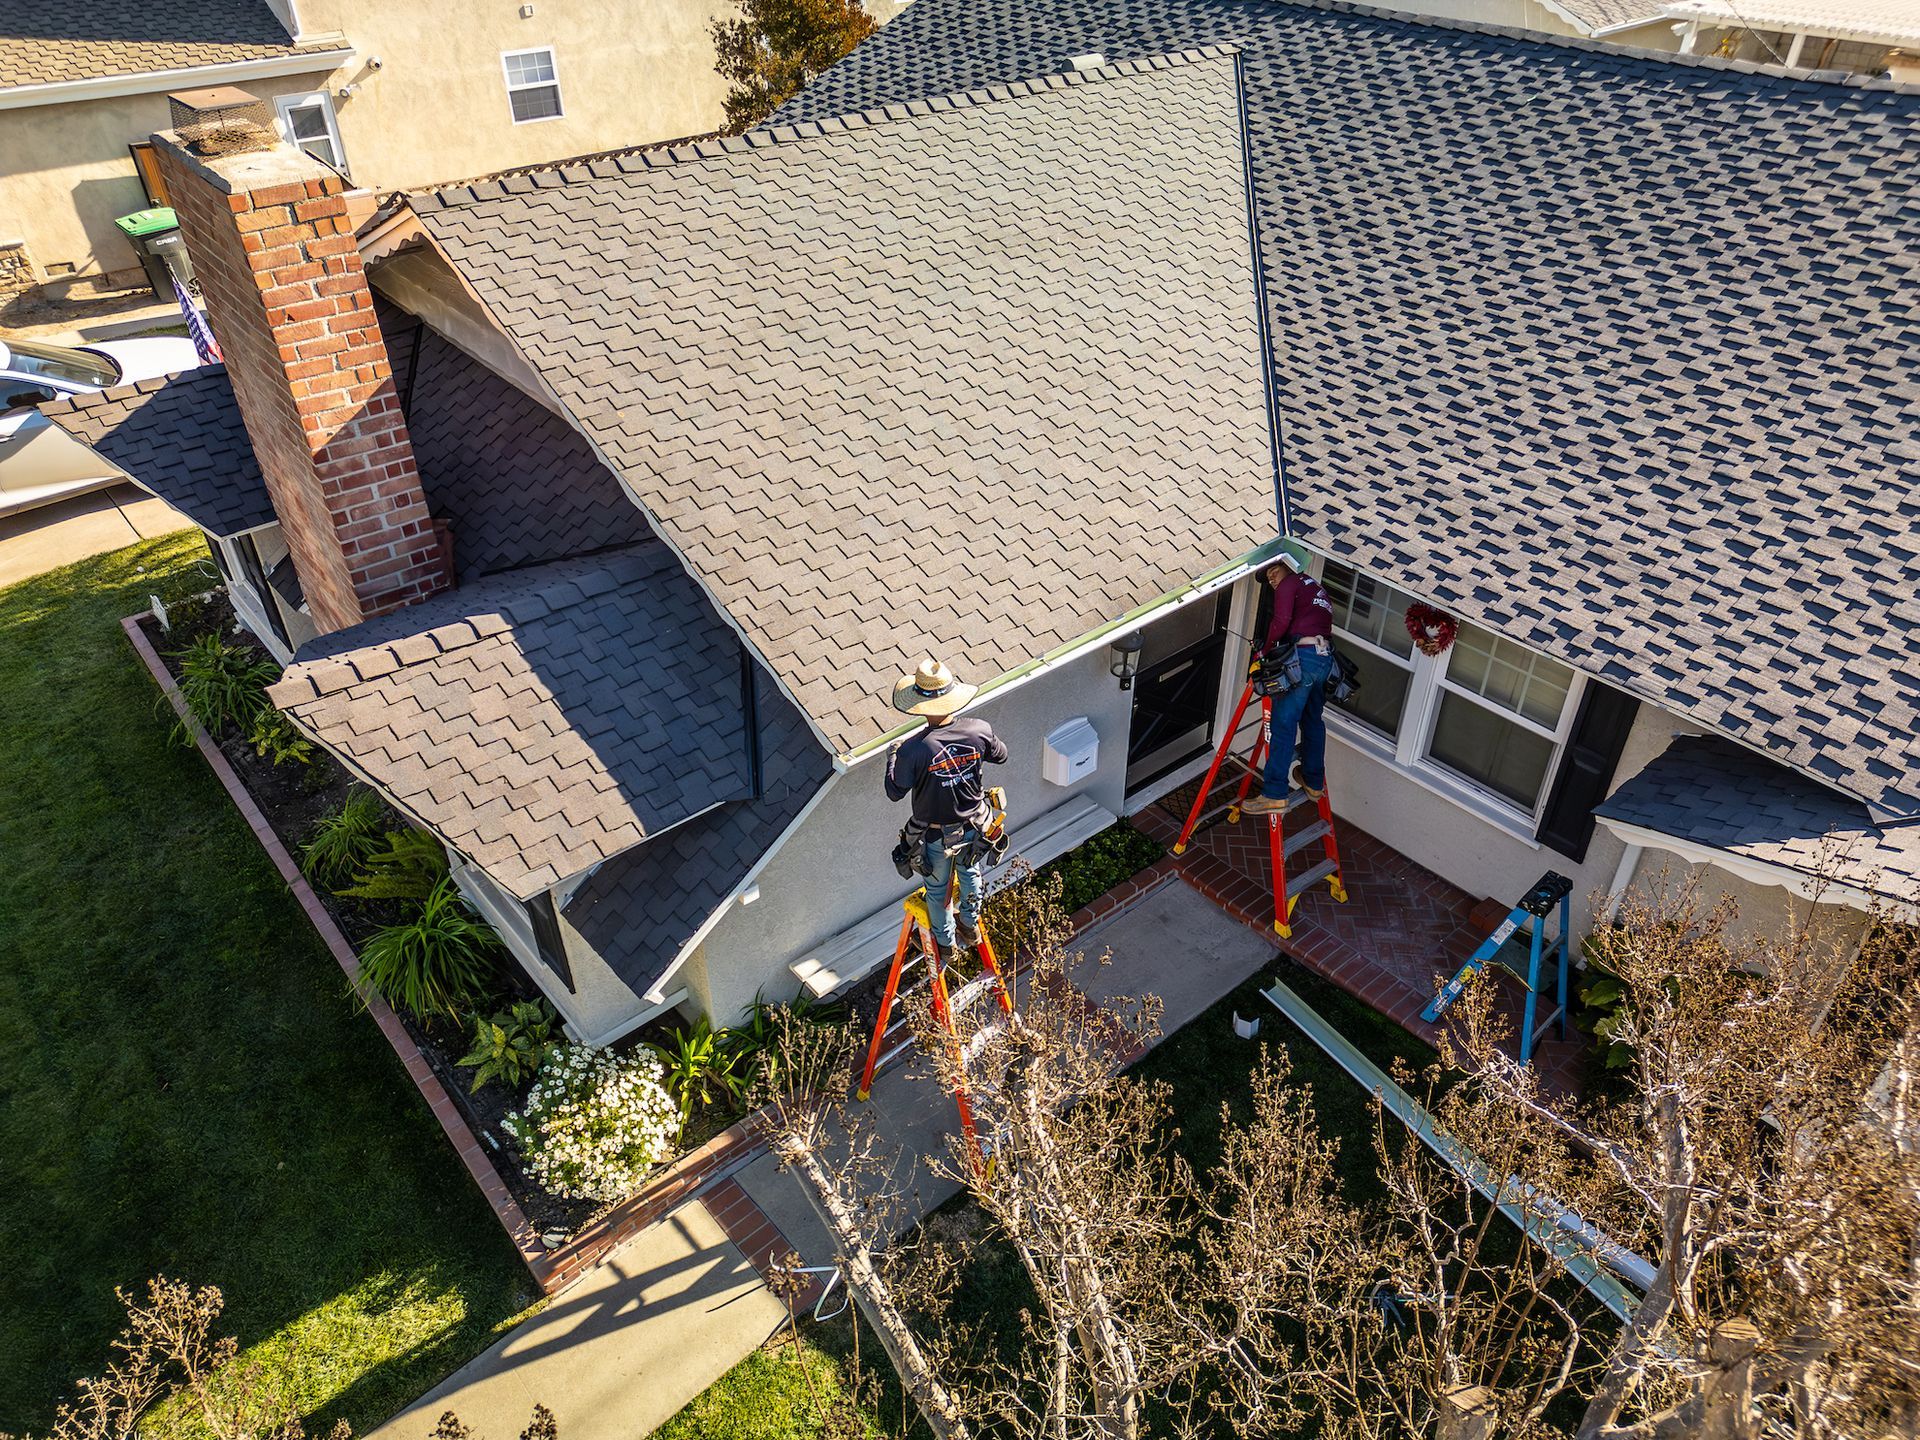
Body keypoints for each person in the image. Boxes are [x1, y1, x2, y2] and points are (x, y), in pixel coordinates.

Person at [884, 657, 1009, 960]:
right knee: (971, 872)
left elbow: (893, 791)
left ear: (922, 705)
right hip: (976, 826)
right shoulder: (978, 730)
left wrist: (892, 756)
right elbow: (1001, 755)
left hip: (937, 835)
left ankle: (946, 945)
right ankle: (969, 923)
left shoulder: (913, 750)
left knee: (938, 892)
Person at [1242, 538, 1334, 816]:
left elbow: (1280, 621)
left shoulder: (1290, 583)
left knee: (1283, 724)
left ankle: (1274, 793)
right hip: (1324, 658)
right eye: (1267, 574)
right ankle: (1313, 781)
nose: (1271, 577)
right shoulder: (1317, 588)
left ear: (1289, 565)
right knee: (1312, 721)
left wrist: (1263, 652)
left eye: (1273, 569)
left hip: (1303, 659)